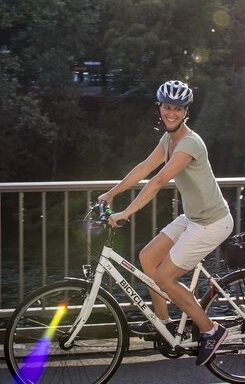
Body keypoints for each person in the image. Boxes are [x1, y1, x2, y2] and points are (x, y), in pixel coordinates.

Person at [98, 80, 234, 365]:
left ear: (186, 112)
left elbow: (159, 180)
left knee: (165, 277)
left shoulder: (190, 143)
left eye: (178, 108)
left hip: (212, 222)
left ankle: (211, 329)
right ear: (159, 107)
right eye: (167, 106)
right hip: (192, 218)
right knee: (147, 258)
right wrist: (112, 193)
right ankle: (164, 323)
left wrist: (126, 213)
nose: (171, 113)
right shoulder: (168, 139)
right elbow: (144, 168)